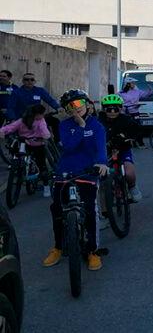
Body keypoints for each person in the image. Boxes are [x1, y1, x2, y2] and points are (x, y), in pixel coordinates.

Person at [42, 89, 108, 271]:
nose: (75, 108)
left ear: (87, 104)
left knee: (89, 209)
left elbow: (101, 147)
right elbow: (69, 147)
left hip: (88, 172)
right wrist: (79, 126)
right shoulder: (65, 125)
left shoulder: (96, 126)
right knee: (57, 209)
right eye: (70, 106)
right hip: (65, 171)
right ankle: (58, 247)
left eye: (79, 104)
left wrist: (102, 163)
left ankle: (92, 251)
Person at [98, 94, 143, 201]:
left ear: (121, 108)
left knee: (129, 172)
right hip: (105, 151)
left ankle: (132, 187)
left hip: (123, 149)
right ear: (104, 109)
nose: (112, 112)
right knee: (100, 175)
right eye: (109, 109)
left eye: (116, 109)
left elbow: (137, 129)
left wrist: (129, 137)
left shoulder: (126, 119)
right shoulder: (99, 121)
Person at [0, 104, 51, 196]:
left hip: (34, 144)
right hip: (29, 143)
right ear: (36, 114)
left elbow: (45, 131)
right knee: (38, 162)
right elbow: (11, 127)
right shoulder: (25, 121)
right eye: (42, 114)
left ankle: (46, 185)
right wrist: (2, 131)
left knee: (41, 165)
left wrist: (45, 136)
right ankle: (18, 167)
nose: (43, 116)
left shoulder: (36, 120)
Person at [6, 73, 64, 141]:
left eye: (32, 79)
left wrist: (58, 107)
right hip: (24, 119)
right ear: (23, 81)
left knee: (55, 121)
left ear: (35, 81)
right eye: (26, 79)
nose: (29, 81)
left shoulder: (40, 91)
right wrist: (12, 119)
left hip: (38, 118)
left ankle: (57, 142)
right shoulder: (16, 92)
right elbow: (10, 107)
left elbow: (50, 100)